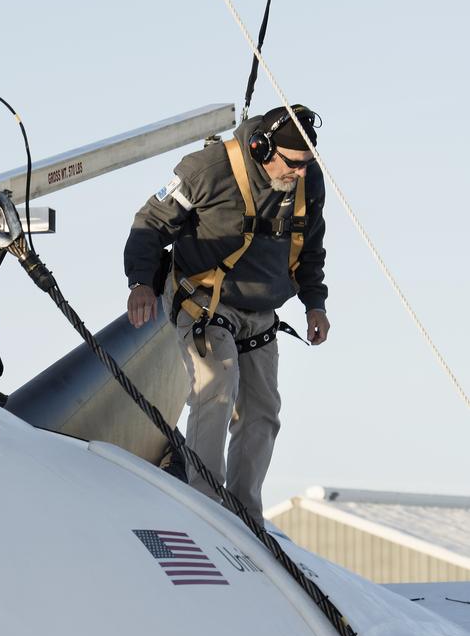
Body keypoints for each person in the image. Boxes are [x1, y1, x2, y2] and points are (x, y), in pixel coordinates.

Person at [124, 105, 329, 521]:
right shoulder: (207, 170)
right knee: (217, 386)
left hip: (261, 312)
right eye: (293, 164)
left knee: (263, 411)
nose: (301, 174)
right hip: (203, 303)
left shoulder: (308, 180)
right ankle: (204, 507)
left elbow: (311, 248)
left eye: (308, 164)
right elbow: (149, 222)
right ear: (262, 148)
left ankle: (244, 517)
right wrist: (140, 282)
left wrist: (315, 302)